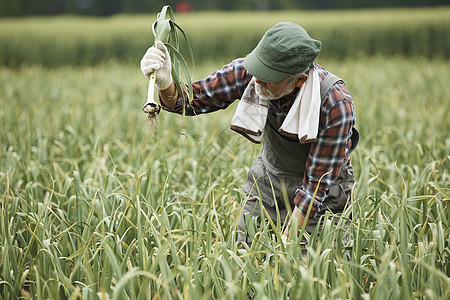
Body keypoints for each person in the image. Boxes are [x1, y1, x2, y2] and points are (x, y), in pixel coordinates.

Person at [140, 22, 359, 245]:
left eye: (268, 76)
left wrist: (287, 242)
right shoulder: (252, 72)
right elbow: (188, 101)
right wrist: (165, 82)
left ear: (299, 80)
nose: (257, 80)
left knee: (311, 266)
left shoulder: (334, 104)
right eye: (257, 70)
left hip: (322, 196)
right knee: (247, 258)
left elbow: (315, 187)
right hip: (268, 182)